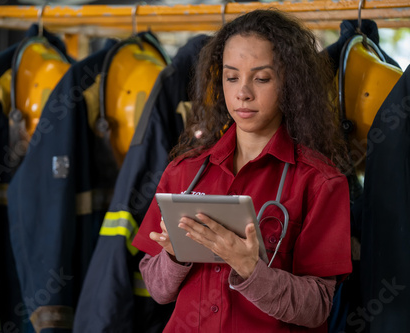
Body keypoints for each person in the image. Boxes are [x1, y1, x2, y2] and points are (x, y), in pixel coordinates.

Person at [131, 9, 352, 332]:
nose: (243, 92)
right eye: (231, 76)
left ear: (289, 82)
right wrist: (174, 257)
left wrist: (250, 268)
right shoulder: (185, 171)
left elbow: (317, 307)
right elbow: (157, 290)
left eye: (261, 78)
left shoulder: (320, 182)